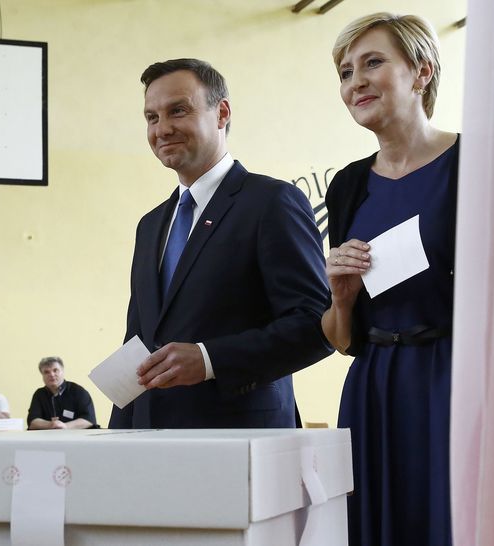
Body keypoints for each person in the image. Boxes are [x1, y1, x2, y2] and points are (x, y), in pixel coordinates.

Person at [108, 58, 333, 429]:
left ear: (221, 112)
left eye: (177, 111)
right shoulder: (149, 226)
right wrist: (113, 441)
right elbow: (138, 345)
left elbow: (315, 326)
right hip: (150, 444)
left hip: (241, 437)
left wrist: (210, 359)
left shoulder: (272, 202)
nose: (162, 129)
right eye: (151, 117)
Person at [322, 13, 458, 546]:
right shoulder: (348, 185)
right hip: (373, 387)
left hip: (456, 380)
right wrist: (341, 297)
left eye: (372, 62)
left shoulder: (474, 163)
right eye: (345, 70)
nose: (354, 80)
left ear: (422, 72)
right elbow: (340, 339)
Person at [27, 357, 96, 430]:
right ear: (42, 375)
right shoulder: (39, 394)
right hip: (47, 438)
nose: (52, 374)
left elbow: (89, 420)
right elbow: (32, 422)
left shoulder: (78, 391)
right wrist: (52, 424)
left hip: (76, 438)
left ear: (62, 371)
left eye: (55, 370)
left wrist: (65, 426)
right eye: (46, 372)